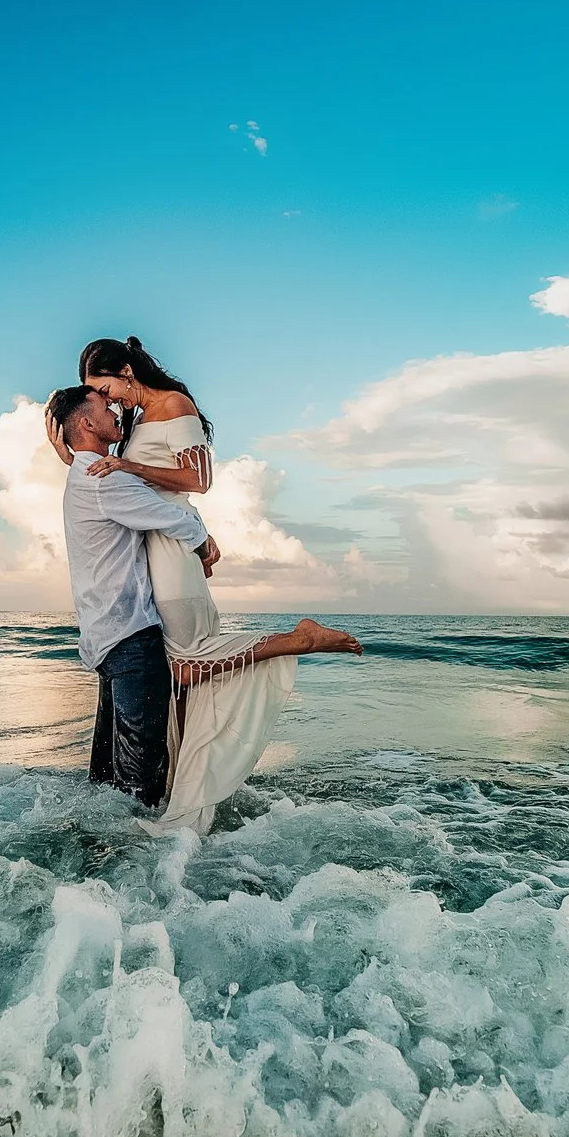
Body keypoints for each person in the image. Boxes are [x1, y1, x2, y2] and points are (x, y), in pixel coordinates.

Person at [55, 336, 362, 831]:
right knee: (172, 672)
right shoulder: (127, 428)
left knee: (183, 661)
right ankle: (171, 786)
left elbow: (197, 480)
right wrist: (78, 453)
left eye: (105, 388)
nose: (108, 400)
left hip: (173, 548)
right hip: (155, 549)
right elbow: (109, 485)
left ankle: (296, 640)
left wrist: (124, 464)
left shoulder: (174, 406)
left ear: (127, 372)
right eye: (99, 398)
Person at [47, 383, 221, 811]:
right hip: (132, 642)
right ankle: (137, 863)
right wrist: (205, 543)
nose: (115, 413)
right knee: (140, 782)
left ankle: (92, 863)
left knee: (106, 778)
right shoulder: (105, 480)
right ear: (87, 423)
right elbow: (170, 516)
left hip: (105, 640)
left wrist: (71, 455)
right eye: (105, 408)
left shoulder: (80, 476)